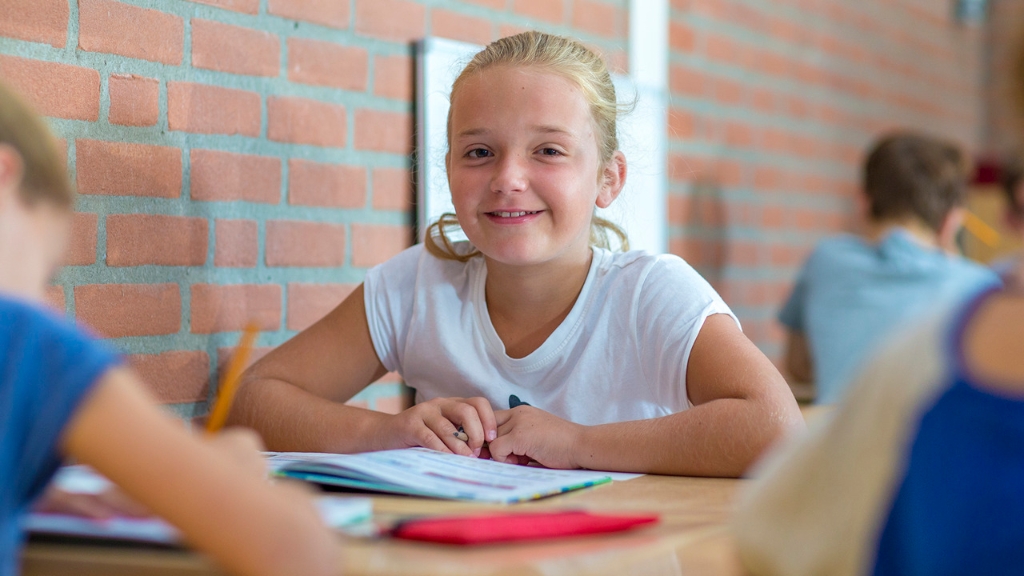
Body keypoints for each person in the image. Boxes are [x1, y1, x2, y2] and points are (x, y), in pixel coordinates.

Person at [227, 31, 803, 477]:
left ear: (608, 178)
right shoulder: (416, 285)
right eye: (479, 152)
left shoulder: (649, 294)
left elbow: (776, 428)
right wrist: (389, 431)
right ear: (447, 169)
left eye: (548, 151)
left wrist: (578, 444)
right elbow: (252, 401)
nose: (508, 178)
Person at [0, 81, 340, 576]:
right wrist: (237, 478)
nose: (39, 299)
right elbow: (297, 553)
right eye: (43, 272)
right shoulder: (28, 344)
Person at [780, 132, 1000, 404]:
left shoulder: (826, 259)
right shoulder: (982, 286)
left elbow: (799, 365)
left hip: (845, 440)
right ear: (950, 220)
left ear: (863, 203)